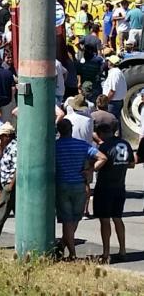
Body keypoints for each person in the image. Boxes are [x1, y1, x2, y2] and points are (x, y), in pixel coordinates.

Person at [54, 118, 107, 260]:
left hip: (62, 185)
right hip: (79, 185)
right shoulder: (82, 145)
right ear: (71, 129)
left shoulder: (54, 146)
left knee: (66, 220)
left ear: (59, 131)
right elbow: (102, 158)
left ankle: (71, 252)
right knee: (75, 218)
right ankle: (66, 246)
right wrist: (90, 170)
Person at [94, 121, 134, 263]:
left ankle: (106, 253)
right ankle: (122, 250)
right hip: (120, 186)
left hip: (105, 187)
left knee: (105, 220)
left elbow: (98, 164)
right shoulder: (125, 144)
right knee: (117, 218)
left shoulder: (105, 146)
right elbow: (132, 163)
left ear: (102, 134)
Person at [103, 55, 127, 136]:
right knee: (115, 121)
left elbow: (112, 90)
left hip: (113, 102)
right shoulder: (117, 72)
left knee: (111, 122)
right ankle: (117, 138)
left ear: (111, 63)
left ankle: (113, 139)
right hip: (116, 101)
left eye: (108, 61)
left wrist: (106, 101)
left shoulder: (114, 73)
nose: (107, 62)